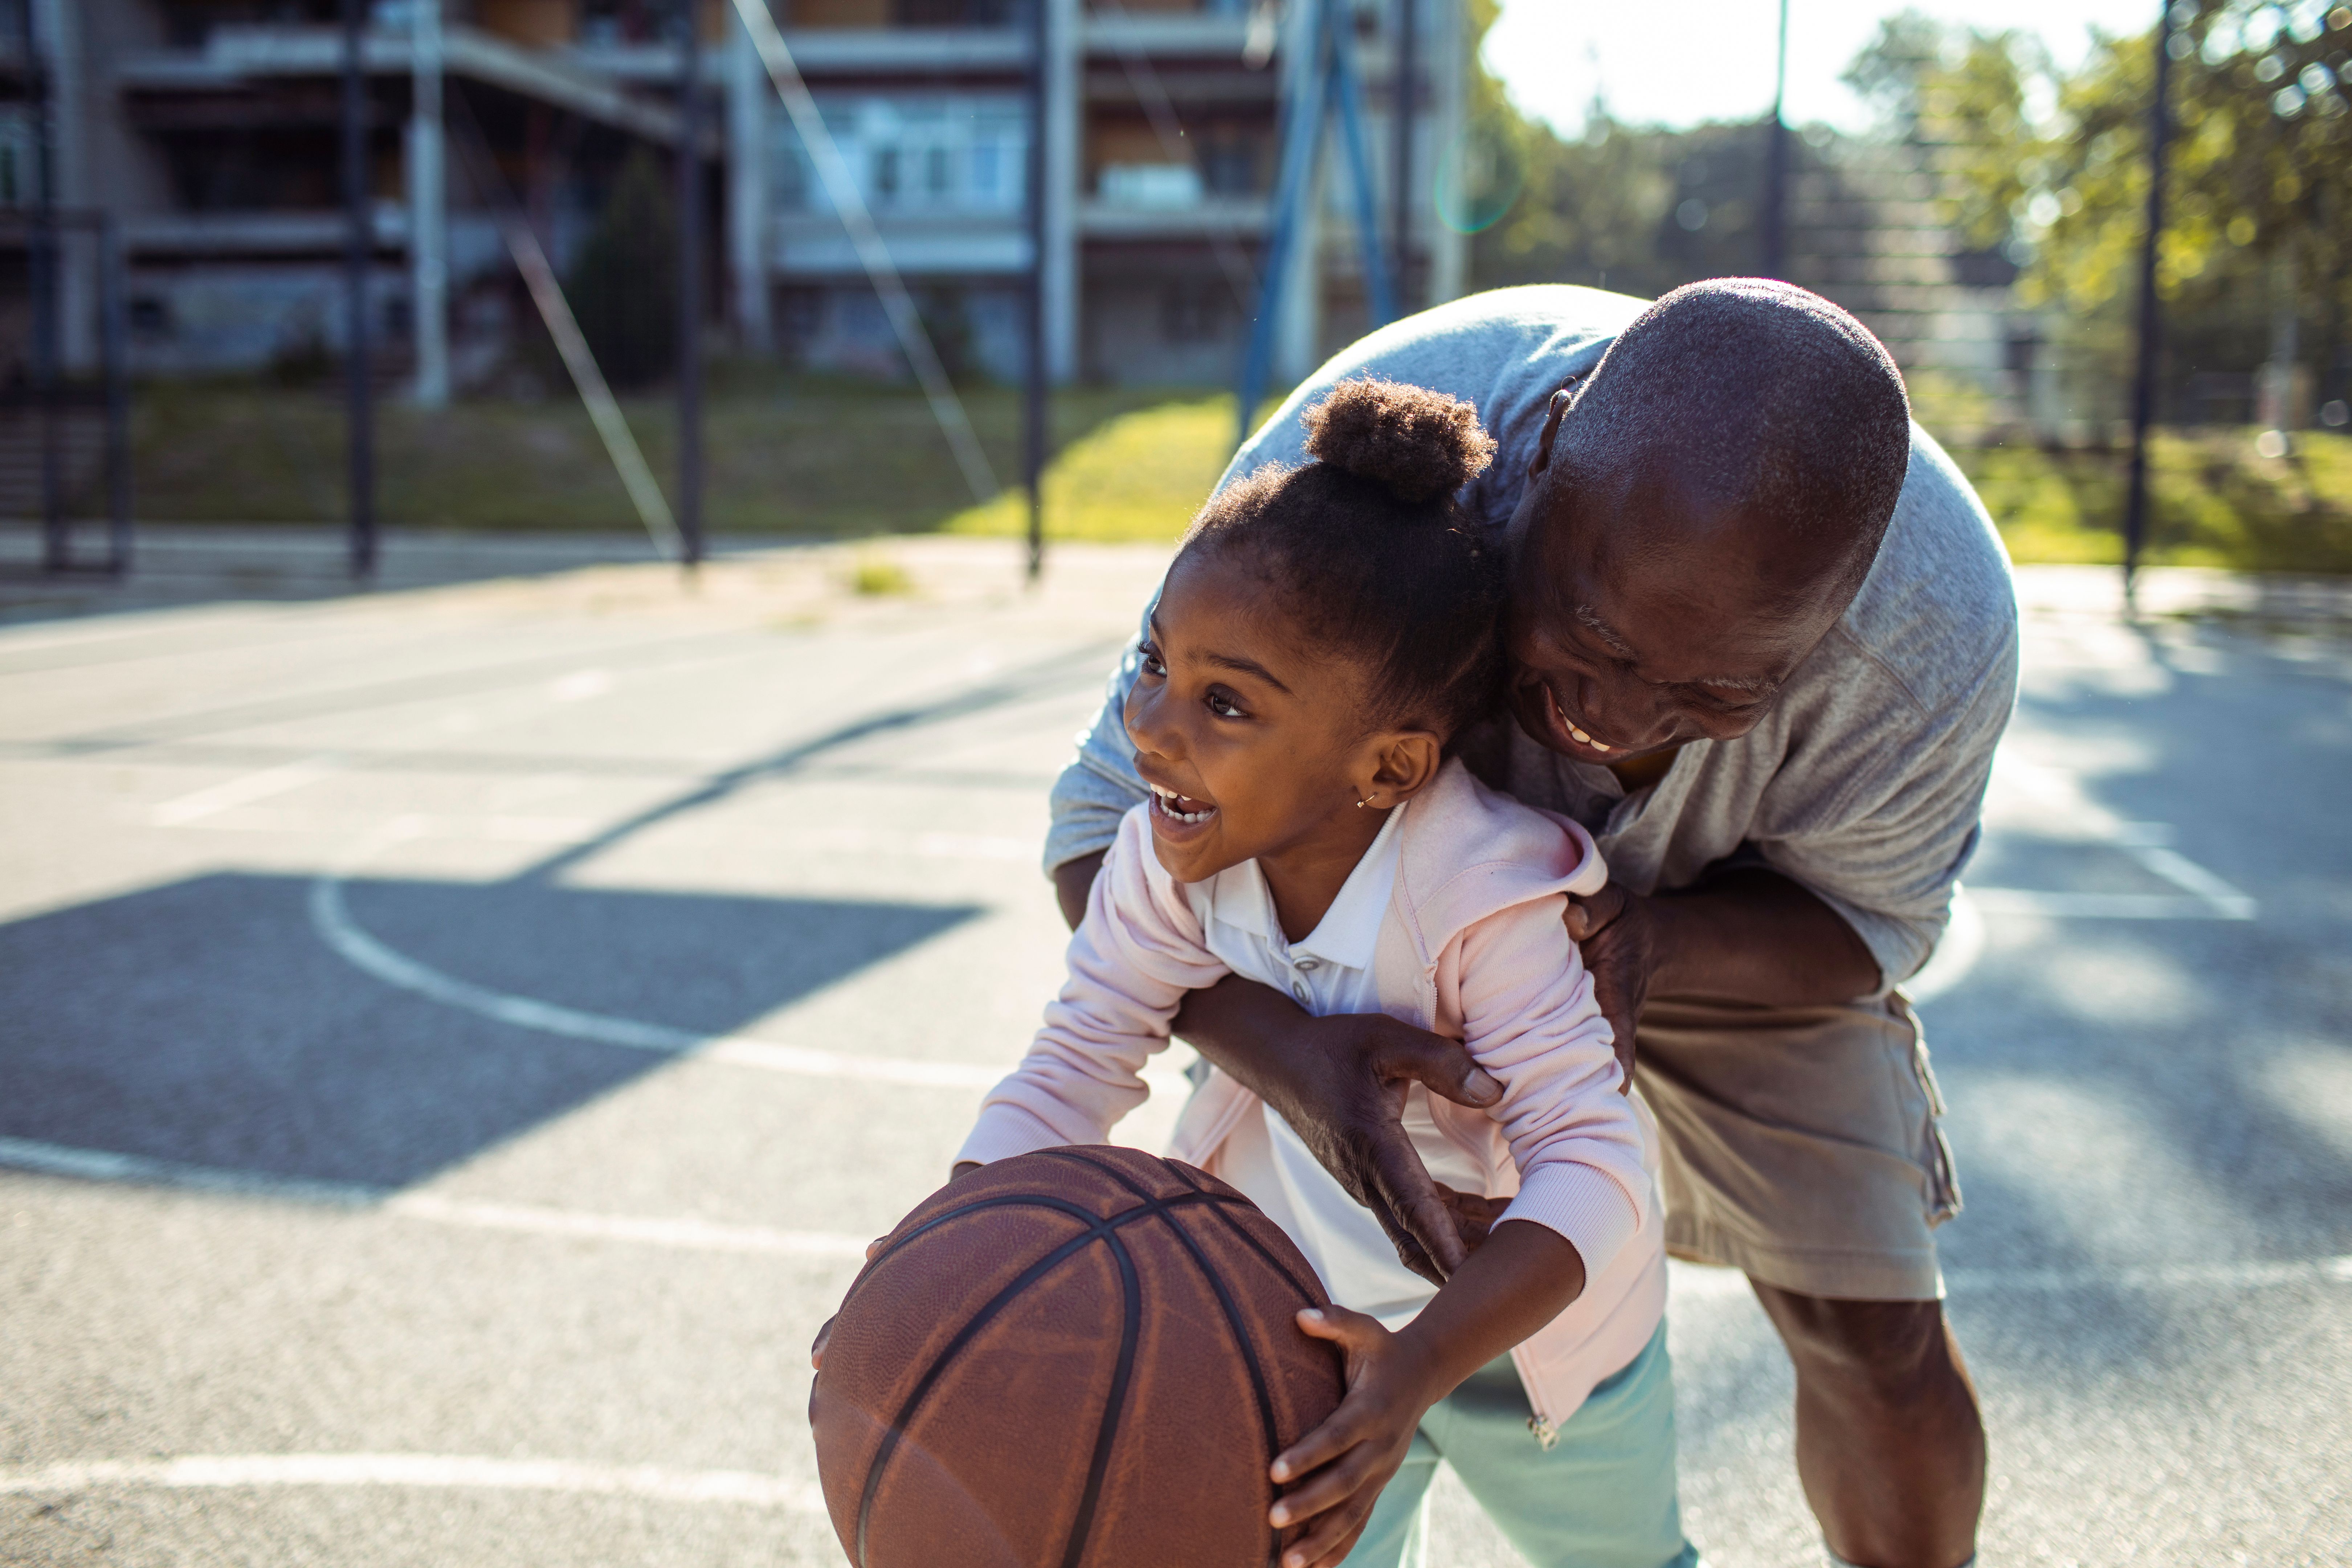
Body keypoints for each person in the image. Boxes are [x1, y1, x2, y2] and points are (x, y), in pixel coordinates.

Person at [1045, 281, 2016, 1568]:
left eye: (1719, 690)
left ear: (1821, 637)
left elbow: (1868, 925)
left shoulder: (1932, 635)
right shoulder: (1355, 473)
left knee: (1874, 1329)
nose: (1622, 717)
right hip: (1376, 894)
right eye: (1596, 637)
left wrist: (1655, 948)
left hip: (1722, 924)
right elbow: (1102, 836)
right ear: (1538, 468)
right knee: (1295, 1341)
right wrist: (1281, 1048)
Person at [956, 378, 1699, 1568]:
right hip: (1308, 1331)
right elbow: (1077, 1061)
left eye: (1225, 701)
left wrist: (1420, 1361)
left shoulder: (1484, 894)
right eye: (1156, 660)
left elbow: (1594, 1161)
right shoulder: (1170, 855)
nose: (1149, 723)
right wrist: (945, 1246)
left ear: (1390, 767)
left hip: (1530, 1349)